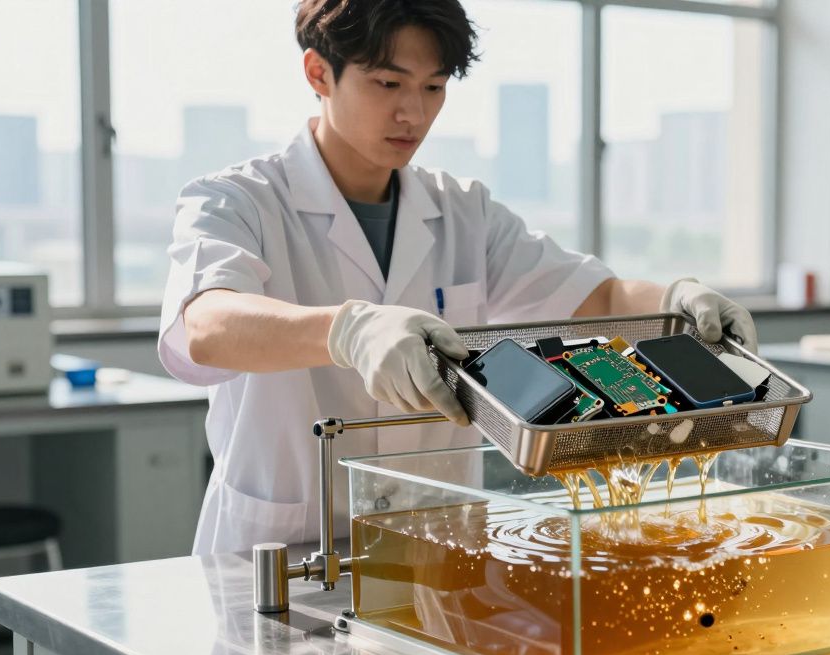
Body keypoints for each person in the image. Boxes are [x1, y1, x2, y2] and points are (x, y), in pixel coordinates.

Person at [158, 0, 758, 555]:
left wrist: (676, 301)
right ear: (318, 73)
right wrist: (347, 330)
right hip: (281, 554)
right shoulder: (237, 200)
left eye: (433, 87)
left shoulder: (462, 211)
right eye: (388, 83)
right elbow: (207, 324)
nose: (412, 112)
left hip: (436, 547)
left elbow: (596, 297)